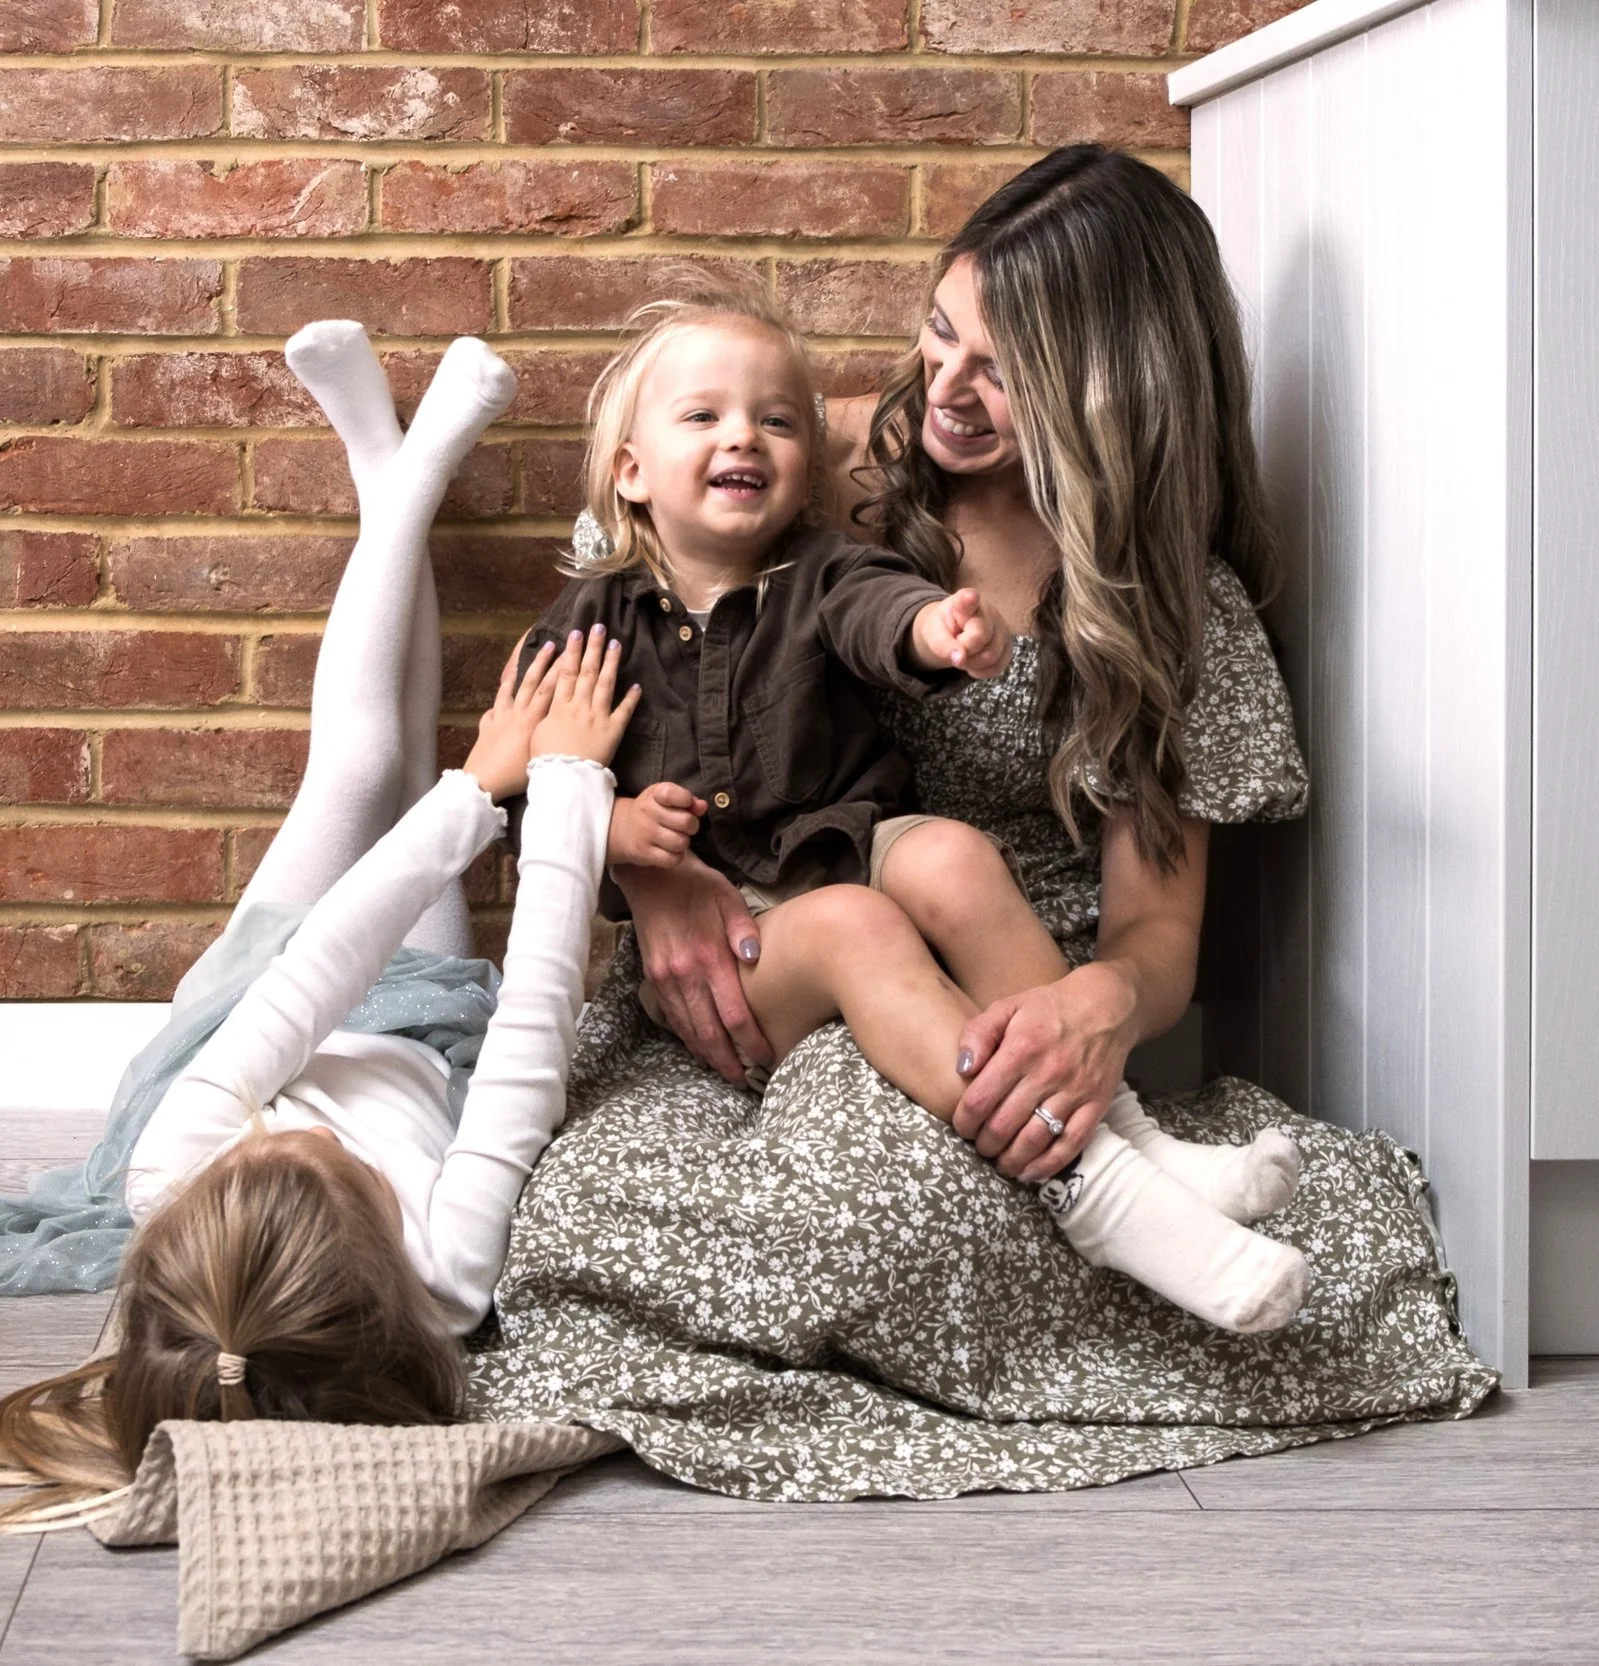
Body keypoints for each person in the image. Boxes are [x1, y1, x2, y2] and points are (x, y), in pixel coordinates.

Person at [0, 332, 637, 1596]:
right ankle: (392, 477)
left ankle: (399, 483)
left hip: (246, 1004)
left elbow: (311, 980)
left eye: (248, 1154)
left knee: (363, 770)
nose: (278, 1125)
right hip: (432, 1040)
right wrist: (566, 788)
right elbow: (535, 1025)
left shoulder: (178, 1166)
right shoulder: (450, 1273)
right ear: (387, 1256)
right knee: (412, 775)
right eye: (297, 1148)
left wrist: (478, 790)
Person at [531, 285, 1307, 1333]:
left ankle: (1130, 1141)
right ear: (630, 471)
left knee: (946, 853)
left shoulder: (825, 570)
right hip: (746, 936)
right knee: (861, 925)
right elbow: (523, 796)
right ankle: (1099, 1193)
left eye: (776, 418)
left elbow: (874, 616)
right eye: (703, 417)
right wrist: (621, 842)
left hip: (844, 851)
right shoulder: (589, 623)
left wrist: (936, 634)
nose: (742, 437)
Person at [615, 145, 1308, 1202]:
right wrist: (645, 872)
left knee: (965, 1182)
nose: (946, 387)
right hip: (819, 957)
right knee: (837, 1190)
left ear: (1107, 389)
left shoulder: (1171, 603)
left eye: (1001, 369)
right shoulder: (835, 494)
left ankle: (1127, 1188)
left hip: (1029, 1018)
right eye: (942, 331)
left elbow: (1157, 929)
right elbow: (646, 680)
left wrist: (1101, 1005)